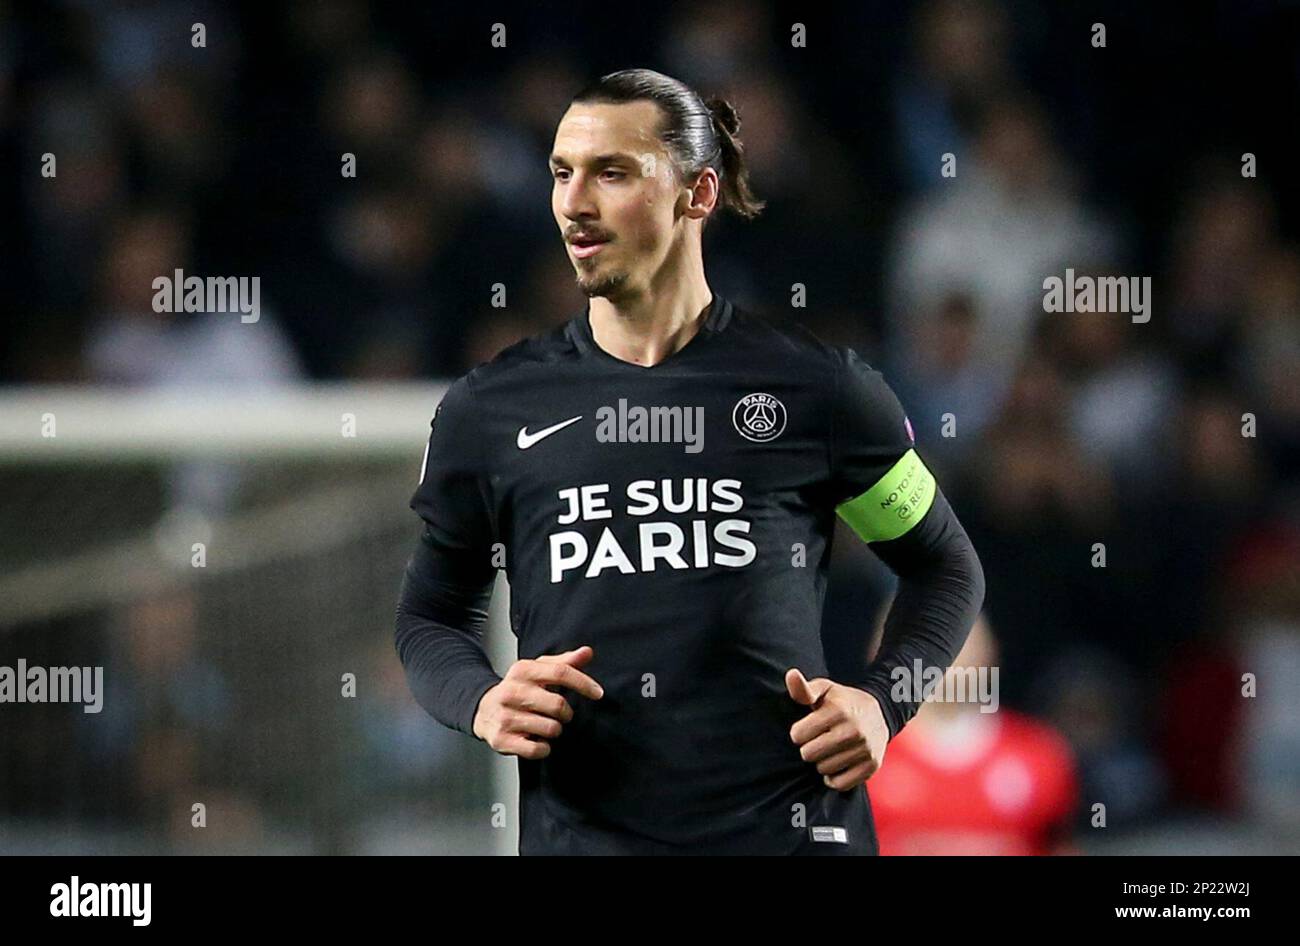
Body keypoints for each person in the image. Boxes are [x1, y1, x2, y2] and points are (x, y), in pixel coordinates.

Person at [395, 68, 984, 855]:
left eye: (612, 172)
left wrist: (883, 702)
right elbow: (431, 617)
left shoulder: (821, 392)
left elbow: (944, 567)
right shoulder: (489, 413)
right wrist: (481, 699)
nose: (574, 202)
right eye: (561, 173)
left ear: (697, 195)